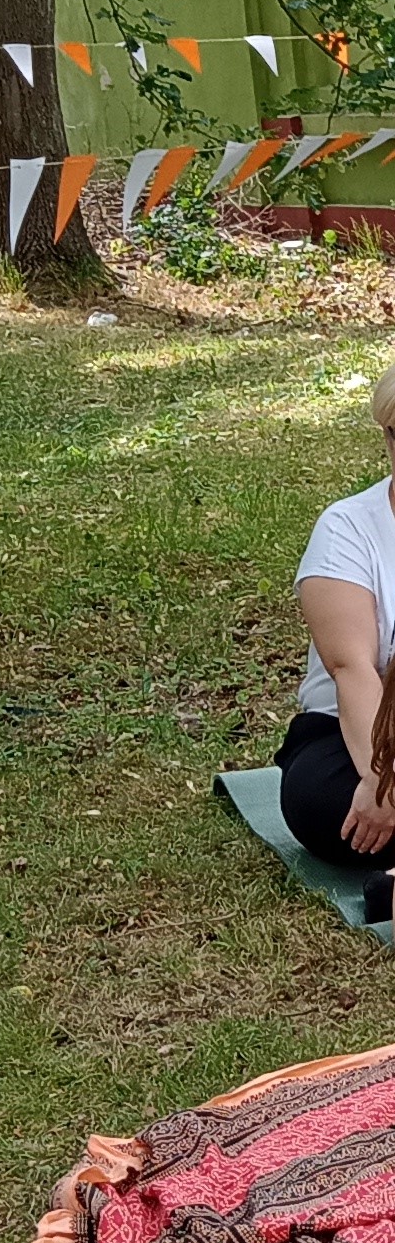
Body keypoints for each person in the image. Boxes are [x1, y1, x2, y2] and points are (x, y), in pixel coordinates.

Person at [278, 364, 395, 872]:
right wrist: (383, 777)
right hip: (353, 729)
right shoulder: (347, 528)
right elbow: (352, 671)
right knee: (324, 804)